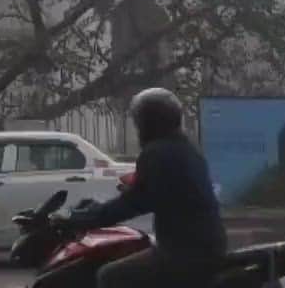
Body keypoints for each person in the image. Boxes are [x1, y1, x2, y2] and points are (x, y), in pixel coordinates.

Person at [58, 87, 227, 288]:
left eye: (139, 123)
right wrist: (99, 209)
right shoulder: (186, 149)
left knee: (108, 276)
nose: (138, 129)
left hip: (183, 252)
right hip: (206, 245)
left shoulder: (156, 153)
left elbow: (135, 202)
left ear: (150, 122)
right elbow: (152, 193)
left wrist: (85, 219)